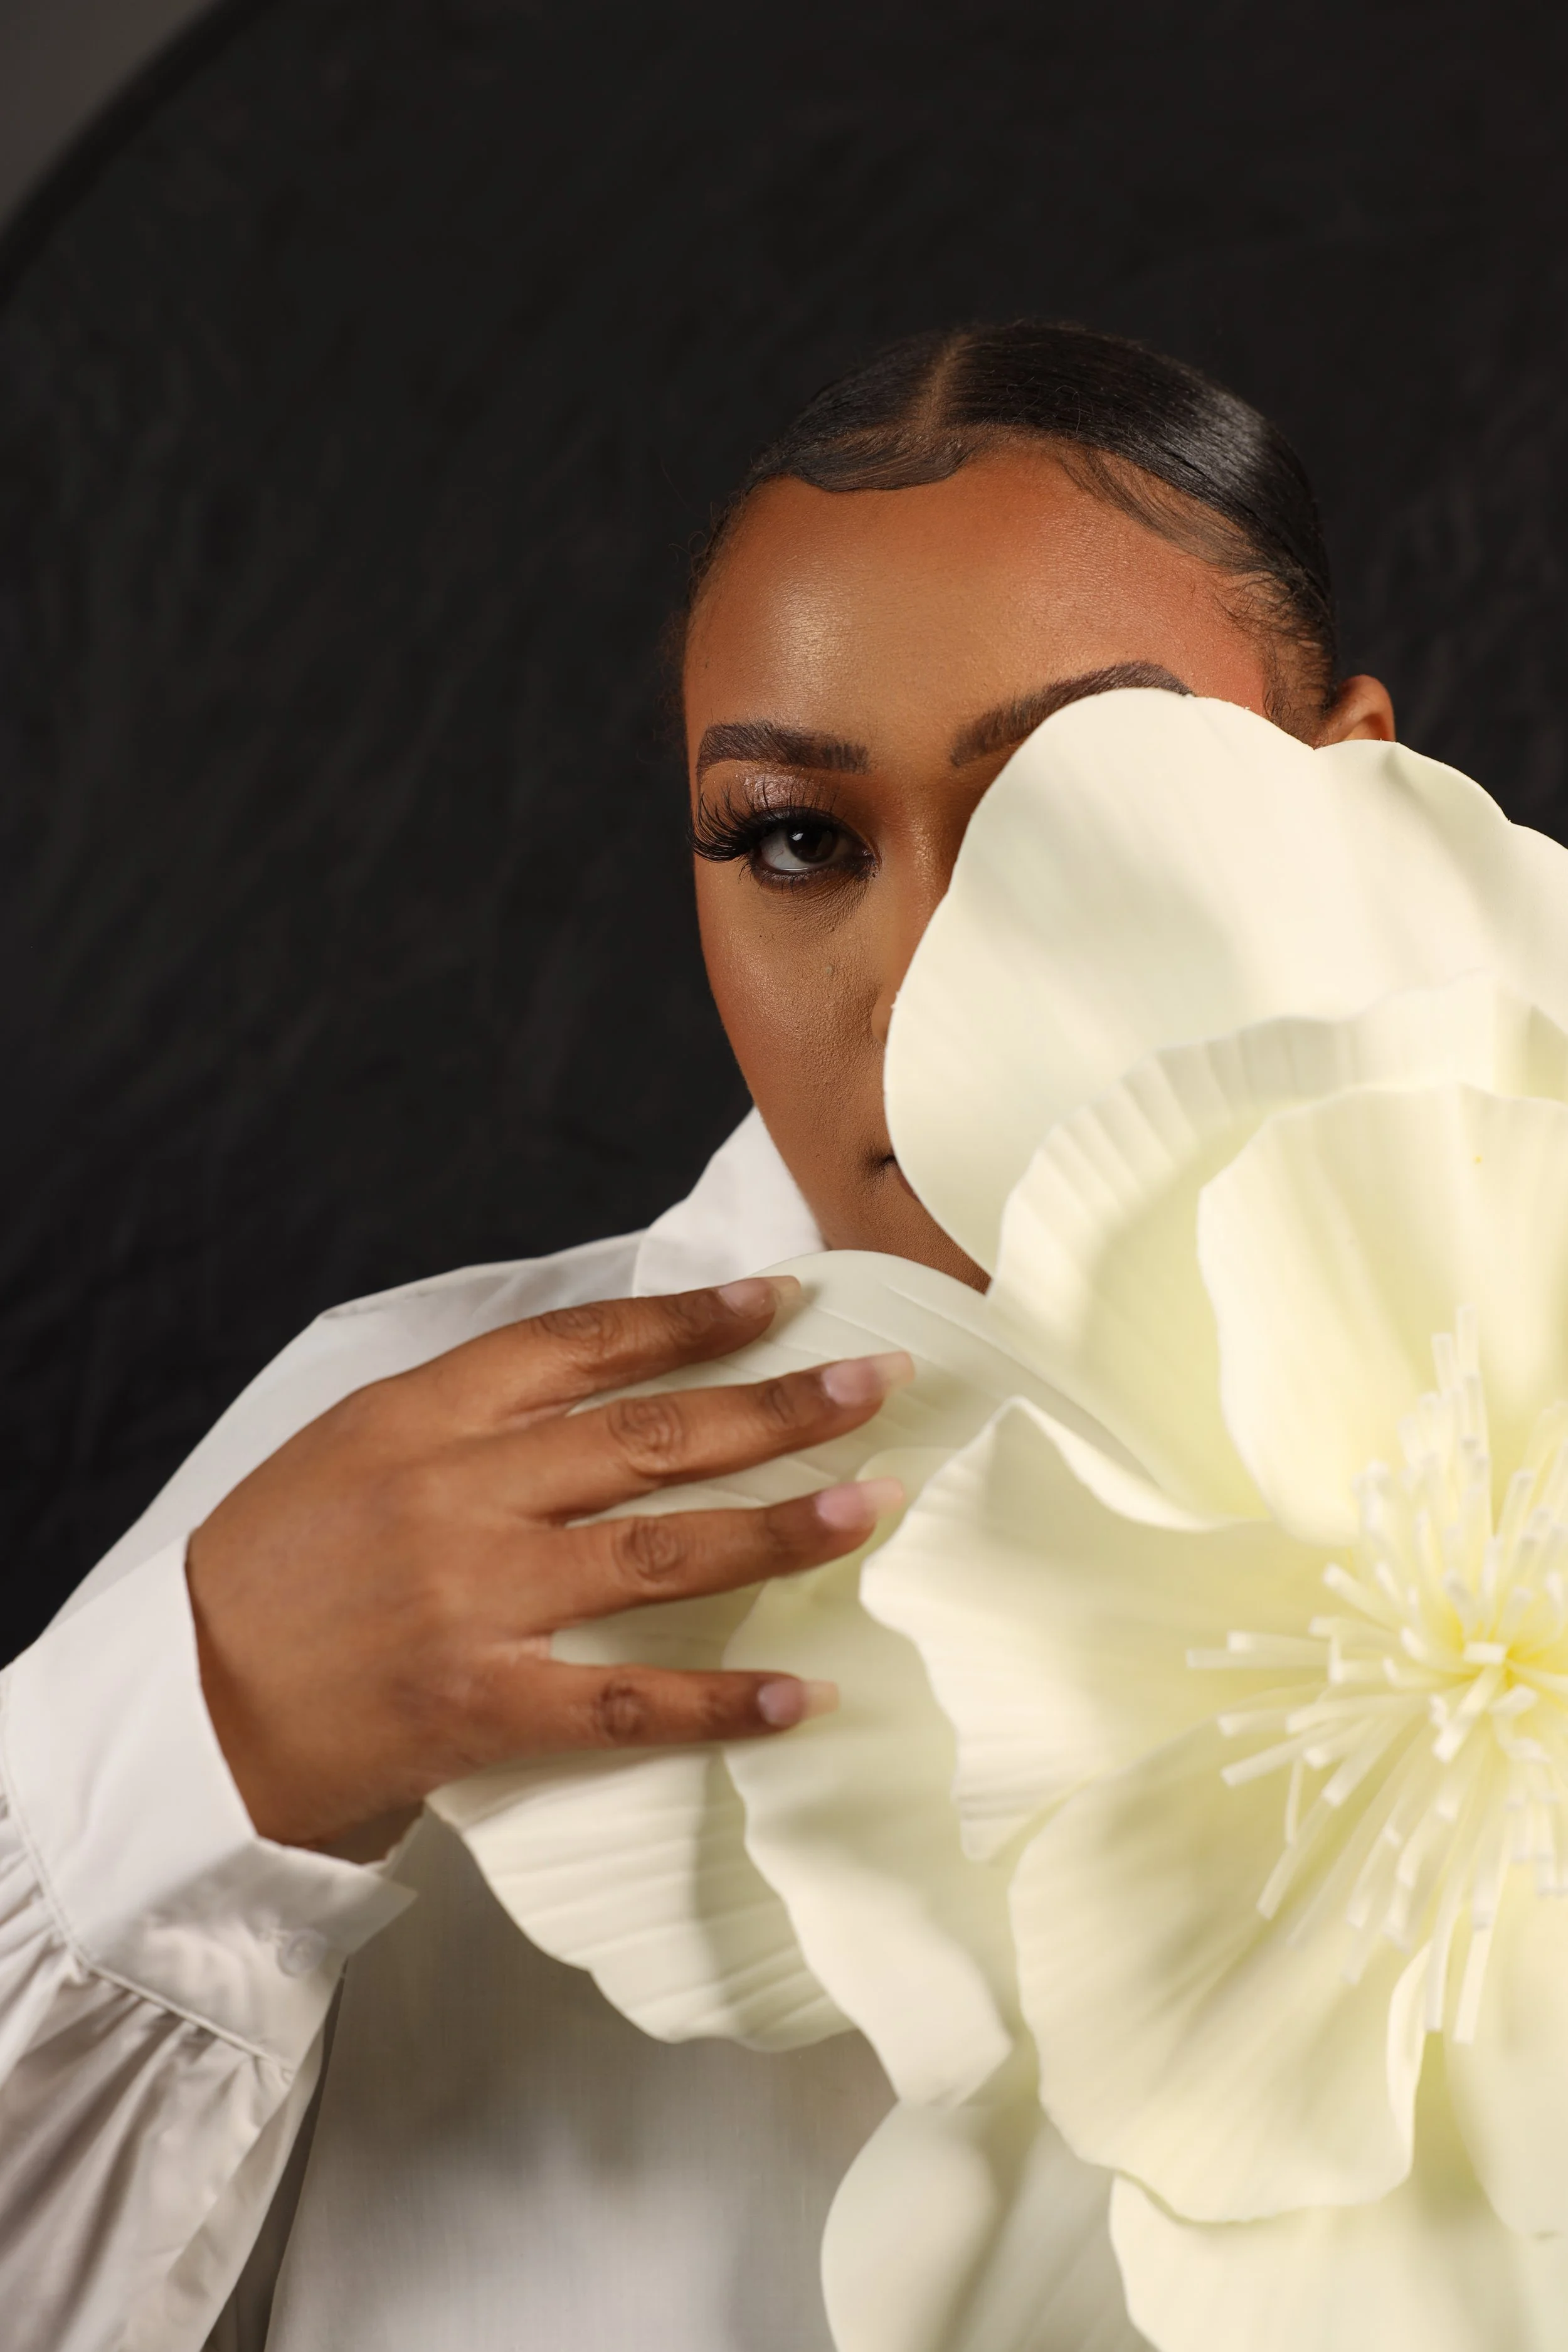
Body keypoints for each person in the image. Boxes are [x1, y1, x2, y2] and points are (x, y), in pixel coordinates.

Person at [0, 322, 1396, 2352]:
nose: (928, 980)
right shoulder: (392, 1465)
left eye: (1079, 801)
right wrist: (199, 1753)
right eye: (798, 839)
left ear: (1353, 790)